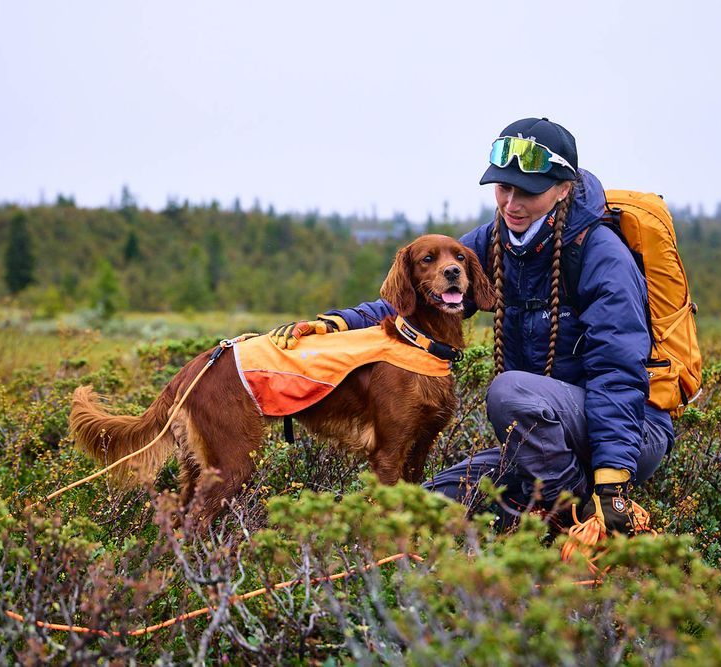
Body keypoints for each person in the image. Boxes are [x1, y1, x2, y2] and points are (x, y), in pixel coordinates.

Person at [271, 117, 674, 537]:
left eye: (528, 192)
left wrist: (611, 486)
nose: (511, 203)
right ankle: (532, 507)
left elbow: (617, 373)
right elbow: (409, 300)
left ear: (563, 189)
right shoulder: (495, 241)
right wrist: (336, 323)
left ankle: (571, 514)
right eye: (504, 188)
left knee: (509, 392)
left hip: (630, 431)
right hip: (544, 433)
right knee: (428, 507)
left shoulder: (602, 255)